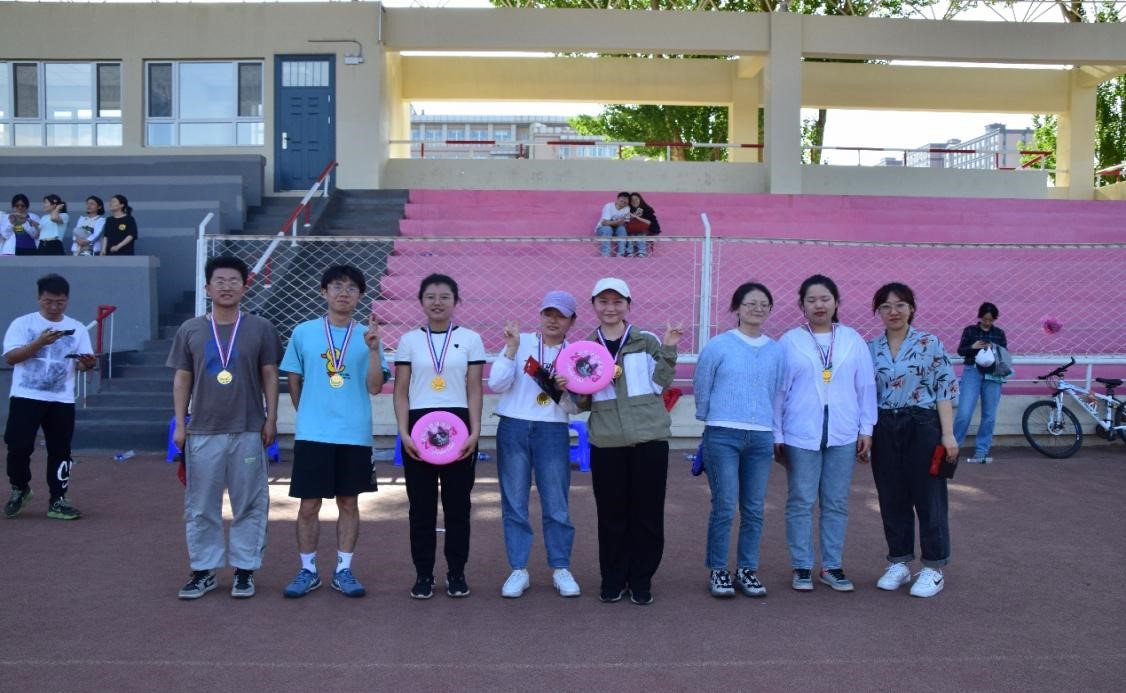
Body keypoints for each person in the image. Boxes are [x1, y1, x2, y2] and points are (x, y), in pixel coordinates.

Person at [167, 256, 281, 600]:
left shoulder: (260, 328)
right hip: (203, 430)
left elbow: (270, 375)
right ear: (207, 288)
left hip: (248, 429)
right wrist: (180, 423)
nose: (227, 286)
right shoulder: (191, 329)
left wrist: (271, 418)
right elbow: (182, 378)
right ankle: (203, 570)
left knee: (249, 502)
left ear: (244, 287)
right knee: (201, 505)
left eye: (234, 281)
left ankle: (245, 570)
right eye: (220, 281)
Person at [280, 265, 389, 599]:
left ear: (360, 296)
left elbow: (375, 387)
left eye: (352, 288)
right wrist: (307, 413)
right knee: (308, 504)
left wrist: (373, 350)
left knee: (349, 502)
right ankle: (308, 570)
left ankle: (343, 570)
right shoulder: (304, 332)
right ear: (323, 291)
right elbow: (293, 377)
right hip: (313, 433)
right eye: (337, 286)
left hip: (353, 433)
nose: (344, 293)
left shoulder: (368, 336)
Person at [574, 277, 682, 606]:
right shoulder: (584, 349)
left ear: (628, 305)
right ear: (594, 306)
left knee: (648, 514)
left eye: (617, 301)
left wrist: (669, 348)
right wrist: (571, 386)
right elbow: (581, 404)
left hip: (649, 438)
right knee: (611, 515)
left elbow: (660, 385)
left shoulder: (646, 341)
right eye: (603, 302)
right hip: (607, 442)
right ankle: (613, 578)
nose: (610, 308)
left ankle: (641, 579)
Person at [774, 274, 876, 593]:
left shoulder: (852, 339)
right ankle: (802, 566)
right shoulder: (789, 341)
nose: (819, 305)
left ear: (836, 302)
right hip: (800, 433)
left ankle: (831, 565)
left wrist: (866, 428)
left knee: (835, 502)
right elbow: (778, 392)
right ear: (802, 305)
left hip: (843, 433)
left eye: (825, 299)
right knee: (801, 500)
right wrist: (777, 433)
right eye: (811, 300)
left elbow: (866, 386)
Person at [393, 274, 486, 599]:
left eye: (445, 296)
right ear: (421, 301)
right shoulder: (408, 341)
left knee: (458, 506)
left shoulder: (471, 339)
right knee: (421, 508)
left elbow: (474, 389)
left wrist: (475, 431)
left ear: (456, 302)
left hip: (459, 428)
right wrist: (403, 432)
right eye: (430, 296)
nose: (437, 302)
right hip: (418, 429)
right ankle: (424, 575)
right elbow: (401, 391)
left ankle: (457, 573)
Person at [487, 290, 582, 599]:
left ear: (572, 321)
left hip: (553, 430)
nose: (553, 320)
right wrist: (511, 350)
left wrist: (563, 391)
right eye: (548, 314)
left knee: (556, 503)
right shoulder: (521, 341)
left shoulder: (575, 354)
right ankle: (518, 569)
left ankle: (561, 567)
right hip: (513, 426)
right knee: (514, 501)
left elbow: (574, 408)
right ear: (540, 315)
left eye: (561, 316)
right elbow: (496, 384)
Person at [868, 282, 959, 598]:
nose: (893, 312)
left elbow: (944, 389)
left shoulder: (929, 343)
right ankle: (899, 561)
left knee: (929, 497)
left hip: (922, 424)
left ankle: (934, 567)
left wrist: (948, 434)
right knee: (891, 497)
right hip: (884, 426)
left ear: (911, 308)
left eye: (900, 305)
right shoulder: (871, 348)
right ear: (878, 311)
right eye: (886, 306)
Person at [693, 281, 783, 599]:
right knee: (725, 505)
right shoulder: (719, 345)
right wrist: (708, 418)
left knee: (755, 507)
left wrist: (772, 429)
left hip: (760, 436)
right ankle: (718, 569)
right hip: (723, 433)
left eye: (763, 304)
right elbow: (702, 383)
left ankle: (747, 569)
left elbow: (776, 390)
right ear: (737, 308)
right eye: (750, 303)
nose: (757, 309)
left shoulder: (776, 350)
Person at [3, 274, 96, 520]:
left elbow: (82, 364)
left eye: (60, 302)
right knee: (18, 445)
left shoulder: (76, 328)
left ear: (67, 300)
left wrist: (88, 364)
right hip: (26, 395)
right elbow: (11, 358)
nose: (54, 307)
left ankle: (58, 499)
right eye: (48, 302)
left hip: (61, 398)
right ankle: (20, 487)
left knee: (60, 449)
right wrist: (39, 342)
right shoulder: (23, 324)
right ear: (39, 299)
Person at [953, 302, 1007, 464]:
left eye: (990, 320)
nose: (987, 323)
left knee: (989, 415)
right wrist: (973, 346)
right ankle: (953, 447)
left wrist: (993, 348)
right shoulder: (970, 330)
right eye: (985, 319)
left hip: (993, 374)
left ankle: (982, 450)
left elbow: (1004, 354)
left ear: (994, 319)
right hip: (972, 371)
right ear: (980, 317)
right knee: (964, 412)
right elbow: (961, 351)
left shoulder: (999, 333)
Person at [594, 192, 631, 258]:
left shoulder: (627, 208)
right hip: (603, 228)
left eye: (626, 200)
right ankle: (605, 254)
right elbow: (604, 223)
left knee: (622, 229)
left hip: (616, 229)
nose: (624, 201)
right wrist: (618, 221)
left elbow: (624, 223)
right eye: (622, 199)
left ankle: (620, 254)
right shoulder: (609, 206)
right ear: (617, 199)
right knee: (608, 229)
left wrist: (616, 222)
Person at [626, 192, 660, 258]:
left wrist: (637, 217)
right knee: (631, 235)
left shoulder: (647, 209)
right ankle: (629, 252)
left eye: (636, 199)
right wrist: (631, 216)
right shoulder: (628, 210)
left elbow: (649, 222)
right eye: (632, 200)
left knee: (640, 234)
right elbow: (625, 222)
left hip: (646, 229)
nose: (634, 201)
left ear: (640, 199)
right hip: (632, 229)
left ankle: (642, 252)